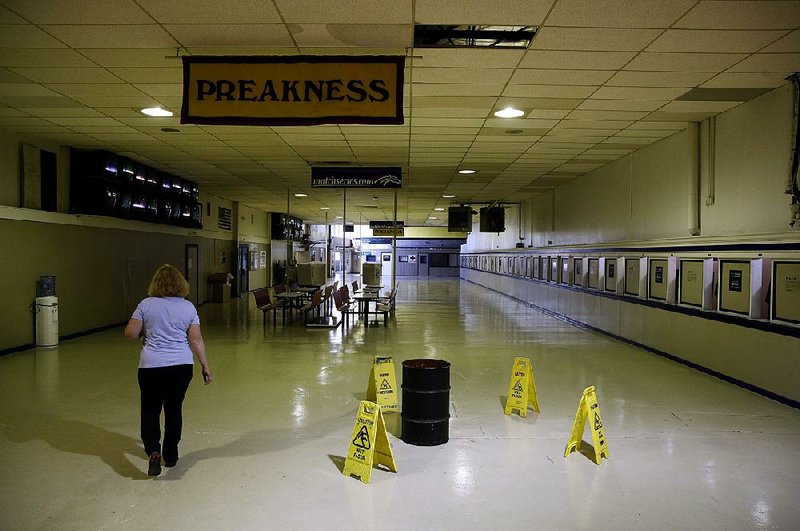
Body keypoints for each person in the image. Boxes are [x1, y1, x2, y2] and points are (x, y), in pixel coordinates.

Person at [124, 264, 212, 477]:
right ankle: (170, 454)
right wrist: (205, 366)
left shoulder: (145, 305)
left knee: (150, 409)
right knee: (174, 408)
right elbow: (196, 339)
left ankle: (153, 450)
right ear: (181, 284)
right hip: (181, 366)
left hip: (151, 366)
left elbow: (130, 333)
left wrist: (145, 328)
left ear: (156, 284)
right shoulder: (188, 307)